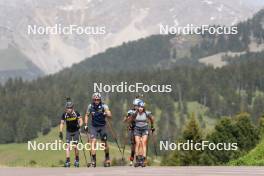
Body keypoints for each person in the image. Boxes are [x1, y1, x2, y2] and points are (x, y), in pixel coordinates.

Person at [84, 93, 112, 167]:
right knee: (93, 141)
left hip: (102, 126)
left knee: (104, 143)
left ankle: (107, 157)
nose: (96, 101)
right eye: (95, 99)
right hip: (94, 127)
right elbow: (87, 115)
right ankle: (93, 160)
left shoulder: (104, 106)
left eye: (98, 99)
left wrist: (107, 114)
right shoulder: (90, 106)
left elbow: (109, 114)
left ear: (100, 100)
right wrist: (86, 124)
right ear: (93, 100)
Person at [126, 100, 155, 167]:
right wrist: (130, 125)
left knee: (143, 143)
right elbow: (130, 120)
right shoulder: (135, 113)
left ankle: (143, 159)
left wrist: (152, 126)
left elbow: (152, 119)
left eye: (142, 107)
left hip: (145, 129)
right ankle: (137, 160)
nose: (140, 108)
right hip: (137, 129)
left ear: (144, 108)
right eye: (139, 107)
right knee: (137, 143)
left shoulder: (147, 113)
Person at [59, 98, 83, 167]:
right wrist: (60, 132)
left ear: (72, 108)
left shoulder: (76, 113)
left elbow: (81, 121)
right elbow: (62, 123)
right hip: (68, 132)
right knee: (67, 146)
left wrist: (79, 125)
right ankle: (68, 161)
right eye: (68, 108)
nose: (69, 109)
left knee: (75, 146)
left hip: (75, 131)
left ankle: (77, 159)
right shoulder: (64, 115)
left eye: (70, 108)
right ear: (66, 108)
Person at [123, 97, 142, 166]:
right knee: (134, 145)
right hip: (133, 129)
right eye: (135, 105)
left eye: (138, 106)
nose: (137, 107)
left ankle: (139, 159)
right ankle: (132, 158)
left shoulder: (142, 112)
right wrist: (128, 118)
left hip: (140, 129)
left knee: (140, 143)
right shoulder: (130, 111)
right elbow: (124, 120)